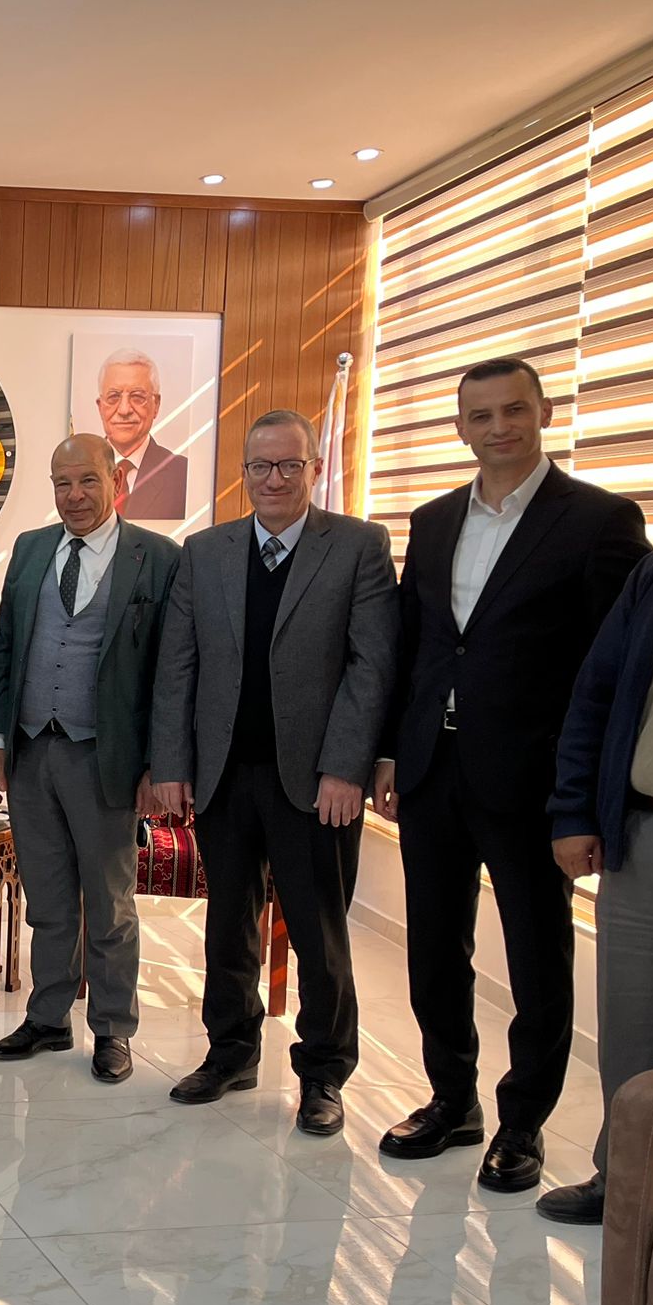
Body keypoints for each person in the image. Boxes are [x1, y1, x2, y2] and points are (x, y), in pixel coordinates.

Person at [373, 358, 649, 1192]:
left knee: (535, 956)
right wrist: (389, 751)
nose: (499, 427)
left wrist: (584, 795)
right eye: (482, 415)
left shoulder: (599, 521)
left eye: (514, 410)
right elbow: (416, 647)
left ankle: (522, 1122)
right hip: (433, 769)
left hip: (533, 779)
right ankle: (451, 1100)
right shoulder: (432, 520)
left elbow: (615, 669)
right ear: (460, 427)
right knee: (435, 948)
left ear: (544, 412)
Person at [150, 408, 397, 1135]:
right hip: (223, 775)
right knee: (228, 924)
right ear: (244, 473)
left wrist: (346, 768)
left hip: (316, 782)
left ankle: (323, 1074)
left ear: (315, 468)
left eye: (290, 464)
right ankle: (230, 1053)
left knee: (319, 935)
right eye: (261, 466)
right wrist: (172, 764)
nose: (275, 479)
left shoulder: (357, 546)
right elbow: (177, 667)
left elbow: (372, 666)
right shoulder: (205, 551)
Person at [0, 434, 181, 1081]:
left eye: (87, 481)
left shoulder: (158, 558)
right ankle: (47, 1018)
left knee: (111, 904)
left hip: (107, 758)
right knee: (47, 898)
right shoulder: (31, 550)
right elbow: (5, 648)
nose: (74, 496)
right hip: (32, 750)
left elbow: (169, 673)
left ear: (116, 481)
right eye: (62, 483)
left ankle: (113, 1028)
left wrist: (156, 765)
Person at [540, 543, 653, 1224]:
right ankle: (624, 1181)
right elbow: (596, 693)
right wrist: (574, 811)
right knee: (634, 1023)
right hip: (649, 832)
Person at [96, 349, 189, 521]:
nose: (124, 410)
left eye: (137, 397)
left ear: (156, 405)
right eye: (114, 397)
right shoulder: (77, 470)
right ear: (100, 407)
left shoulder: (182, 474)